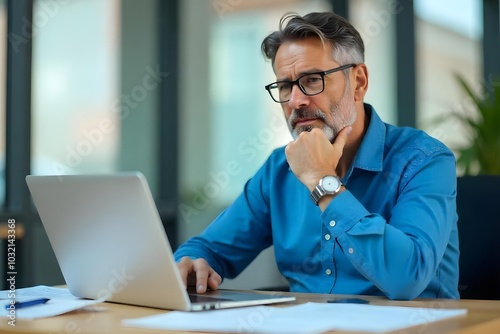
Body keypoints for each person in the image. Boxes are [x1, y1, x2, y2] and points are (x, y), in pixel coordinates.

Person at [174, 11, 459, 300]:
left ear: (358, 82)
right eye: (285, 86)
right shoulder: (278, 170)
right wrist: (192, 262)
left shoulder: (424, 160)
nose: (296, 101)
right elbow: (207, 249)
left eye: (312, 80)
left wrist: (322, 181)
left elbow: (406, 278)